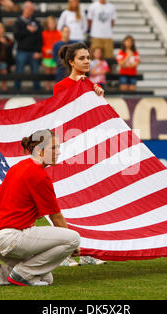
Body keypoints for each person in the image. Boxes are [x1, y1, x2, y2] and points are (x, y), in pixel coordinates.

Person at [0, 130, 81, 287]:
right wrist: (72, 246)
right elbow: (56, 218)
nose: (58, 152)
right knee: (73, 237)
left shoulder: (18, 167)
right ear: (39, 150)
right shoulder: (39, 175)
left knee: (46, 278)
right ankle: (23, 274)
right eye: (53, 148)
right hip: (12, 238)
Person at [54, 42, 107, 266]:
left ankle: (86, 250)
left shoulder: (92, 86)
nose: (87, 61)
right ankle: (63, 252)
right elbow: (62, 115)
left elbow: (99, 118)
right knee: (67, 203)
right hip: (68, 151)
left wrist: (99, 98)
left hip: (88, 151)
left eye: (88, 57)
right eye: (82, 58)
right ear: (71, 62)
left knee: (89, 202)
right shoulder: (61, 86)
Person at [12, 1, 42, 91]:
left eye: (32, 9)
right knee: (19, 72)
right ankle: (16, 91)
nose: (32, 11)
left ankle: (38, 92)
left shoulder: (36, 22)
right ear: (25, 9)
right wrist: (27, 30)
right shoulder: (18, 22)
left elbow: (40, 37)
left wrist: (38, 51)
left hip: (34, 52)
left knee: (35, 73)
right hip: (21, 51)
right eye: (30, 9)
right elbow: (16, 35)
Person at [41, 16, 61, 91]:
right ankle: (47, 86)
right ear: (47, 24)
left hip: (55, 56)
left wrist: (55, 51)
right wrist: (45, 50)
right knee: (47, 72)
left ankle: (54, 87)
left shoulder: (58, 33)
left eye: (53, 23)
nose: (52, 25)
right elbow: (42, 44)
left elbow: (59, 44)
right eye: (50, 23)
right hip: (46, 56)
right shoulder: (44, 33)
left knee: (54, 72)